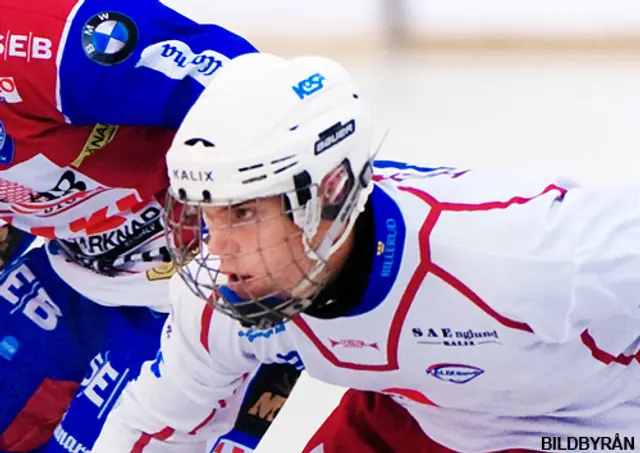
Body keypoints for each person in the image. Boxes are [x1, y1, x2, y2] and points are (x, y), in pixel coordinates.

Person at [91, 52, 640, 453]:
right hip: (417, 422)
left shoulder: (516, 253)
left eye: (241, 213)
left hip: (588, 431)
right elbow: (164, 424)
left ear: (328, 194)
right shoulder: (223, 292)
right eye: (205, 214)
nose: (218, 247)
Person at [0, 1, 300, 451]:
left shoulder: (48, 45)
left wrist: (246, 232)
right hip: (73, 273)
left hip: (210, 293)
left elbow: (258, 94)